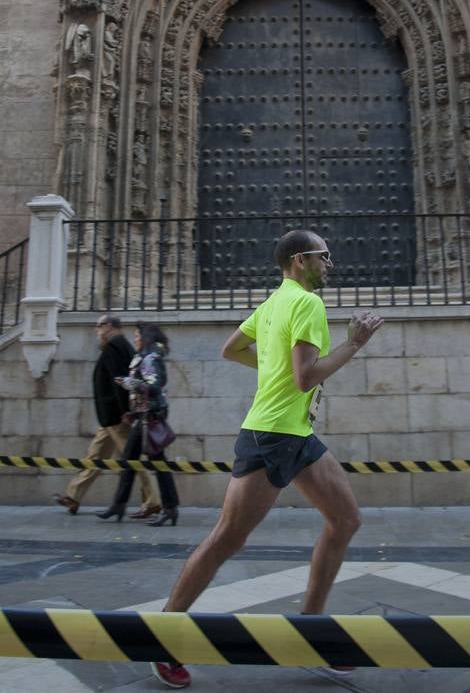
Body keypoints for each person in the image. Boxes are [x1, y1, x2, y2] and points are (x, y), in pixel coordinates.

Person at [150, 229, 383, 689]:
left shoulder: (275, 300)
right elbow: (305, 378)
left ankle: (309, 632)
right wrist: (354, 344)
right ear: (300, 260)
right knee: (226, 539)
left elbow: (231, 348)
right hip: (272, 435)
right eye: (324, 255)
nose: (330, 263)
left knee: (346, 520)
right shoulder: (308, 304)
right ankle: (161, 640)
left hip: (296, 434)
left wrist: (273, 369)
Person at [54, 315, 160, 518]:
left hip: (116, 416)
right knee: (94, 457)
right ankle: (73, 496)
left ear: (110, 326)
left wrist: (125, 412)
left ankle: (153, 501)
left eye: (99, 326)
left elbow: (119, 382)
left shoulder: (114, 347)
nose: (96, 330)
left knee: (133, 460)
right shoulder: (119, 346)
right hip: (109, 418)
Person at [97, 323, 180, 526]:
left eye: (137, 335)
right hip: (142, 417)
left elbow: (155, 385)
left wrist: (130, 383)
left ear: (146, 337)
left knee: (157, 463)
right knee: (129, 460)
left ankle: (170, 508)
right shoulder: (145, 355)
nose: (135, 338)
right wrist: (132, 412)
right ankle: (119, 505)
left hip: (150, 418)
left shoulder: (151, 358)